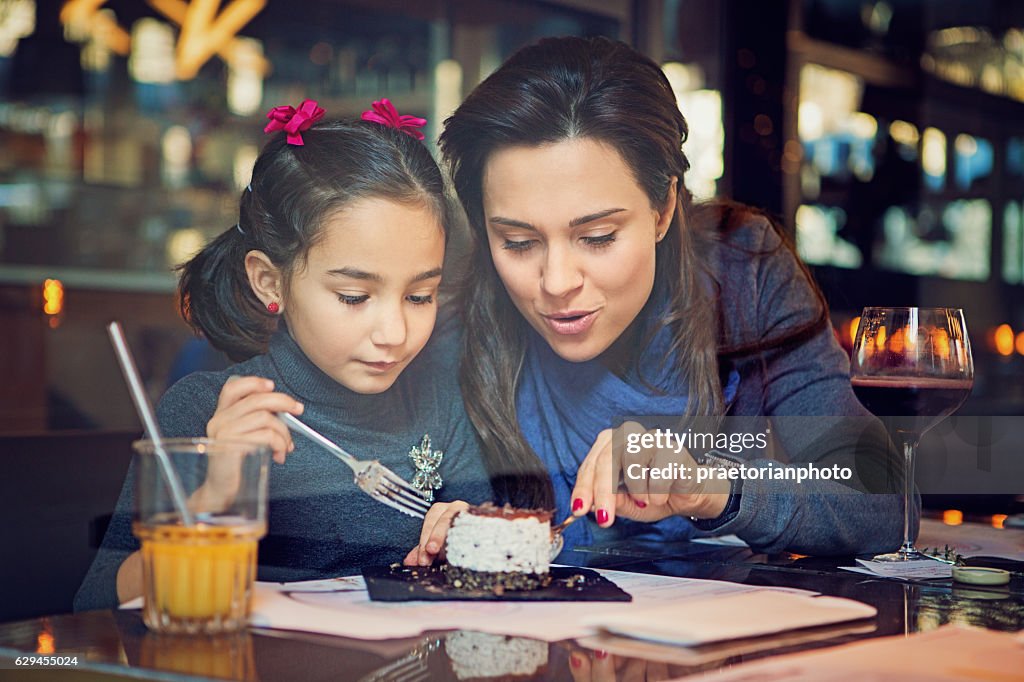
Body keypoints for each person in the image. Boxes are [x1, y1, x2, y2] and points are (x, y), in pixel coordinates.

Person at [407, 36, 902, 565]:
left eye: (597, 237)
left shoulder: (742, 271)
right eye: (518, 243)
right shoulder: (439, 312)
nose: (555, 282)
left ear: (664, 208)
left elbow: (881, 504)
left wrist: (710, 488)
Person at [75, 99, 491, 610]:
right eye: (354, 297)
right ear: (270, 281)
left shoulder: (437, 401)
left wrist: (466, 535)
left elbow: (491, 551)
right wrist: (212, 499)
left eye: (420, 296)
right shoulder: (207, 415)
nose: (394, 331)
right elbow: (94, 604)